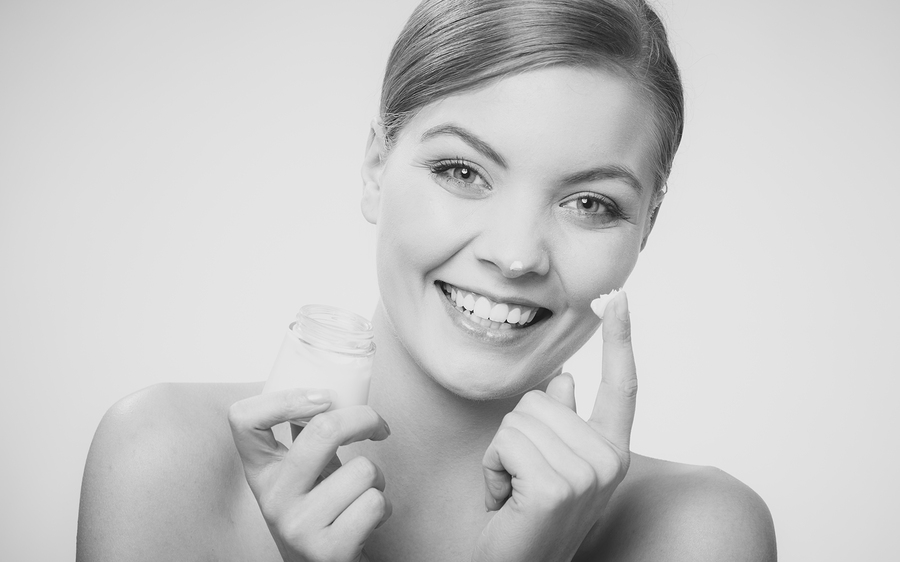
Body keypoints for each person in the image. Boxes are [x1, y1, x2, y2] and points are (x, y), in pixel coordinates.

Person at [76, 0, 777, 560]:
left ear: (645, 229)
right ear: (376, 166)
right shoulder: (162, 460)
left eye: (590, 204)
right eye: (462, 172)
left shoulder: (700, 533)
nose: (515, 256)